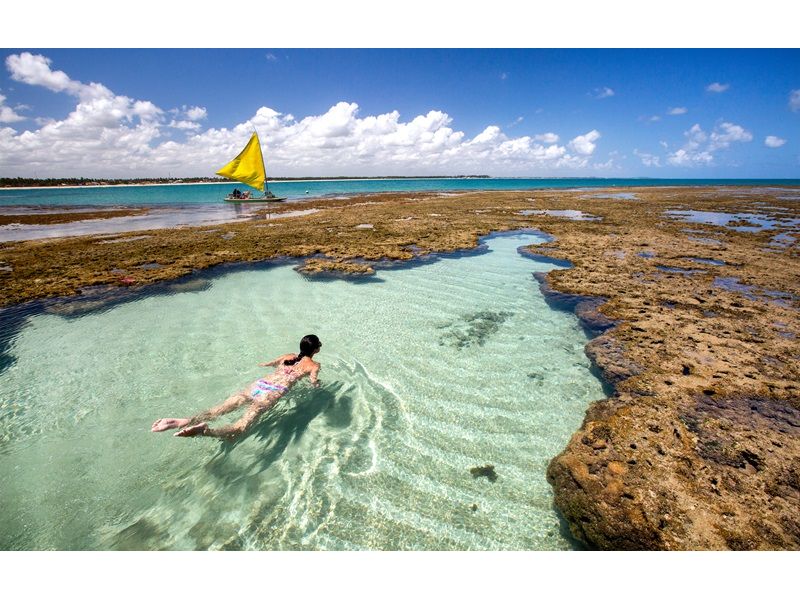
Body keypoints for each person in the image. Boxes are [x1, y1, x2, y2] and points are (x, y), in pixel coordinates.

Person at [151, 334, 322, 440]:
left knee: (217, 410)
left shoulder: (288, 356)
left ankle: (183, 421)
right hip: (270, 395)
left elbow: (266, 364)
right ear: (316, 349)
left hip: (257, 386)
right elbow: (314, 383)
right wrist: (318, 388)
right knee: (239, 429)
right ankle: (205, 432)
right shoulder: (313, 365)